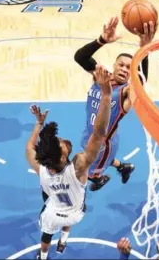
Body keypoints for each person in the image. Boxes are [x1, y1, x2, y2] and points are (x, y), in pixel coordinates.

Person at [25, 65, 114, 259]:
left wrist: (39, 123)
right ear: (64, 157)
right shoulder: (79, 167)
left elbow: (29, 148)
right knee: (73, 206)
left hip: (53, 212)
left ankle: (43, 256)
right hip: (75, 213)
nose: (62, 140)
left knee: (46, 233)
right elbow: (99, 134)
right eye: (61, 144)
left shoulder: (40, 167)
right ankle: (63, 241)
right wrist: (106, 95)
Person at [74, 16, 158, 191]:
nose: (124, 69)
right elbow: (80, 57)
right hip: (88, 132)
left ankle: (98, 179)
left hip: (103, 145)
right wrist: (102, 40)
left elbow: (140, 84)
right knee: (88, 156)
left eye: (129, 68)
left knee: (86, 172)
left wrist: (144, 49)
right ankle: (123, 167)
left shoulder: (125, 93)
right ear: (114, 65)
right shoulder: (102, 78)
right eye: (121, 64)